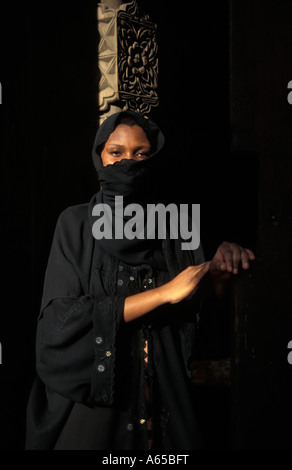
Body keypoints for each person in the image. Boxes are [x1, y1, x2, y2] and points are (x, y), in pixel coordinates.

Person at [25, 110, 255, 450]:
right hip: (93, 415)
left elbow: (200, 324)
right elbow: (59, 326)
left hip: (167, 410)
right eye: (116, 153)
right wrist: (163, 294)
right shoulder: (75, 224)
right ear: (99, 156)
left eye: (141, 154)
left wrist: (220, 269)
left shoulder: (178, 225)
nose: (128, 163)